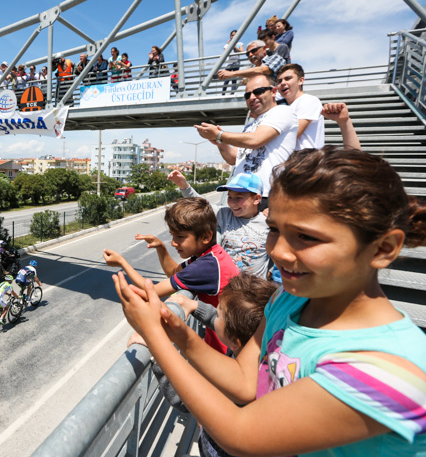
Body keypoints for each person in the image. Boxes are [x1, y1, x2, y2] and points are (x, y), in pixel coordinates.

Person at [114, 146, 426, 457]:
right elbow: (245, 381)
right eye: (274, 229)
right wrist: (177, 332)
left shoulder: (387, 368)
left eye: (306, 237)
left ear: (384, 248)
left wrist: (154, 337)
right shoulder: (288, 300)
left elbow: (240, 434)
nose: (278, 251)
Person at [153, 273, 279, 457]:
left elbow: (184, 399)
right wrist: (195, 306)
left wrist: (157, 354)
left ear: (234, 342)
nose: (215, 311)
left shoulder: (232, 384)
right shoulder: (257, 352)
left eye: (219, 311)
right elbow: (225, 326)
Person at [104, 197, 239, 354]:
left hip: (224, 348)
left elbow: (151, 291)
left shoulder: (206, 267)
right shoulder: (210, 255)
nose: (174, 243)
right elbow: (174, 272)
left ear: (205, 237)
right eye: (172, 236)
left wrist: (122, 263)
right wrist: (161, 248)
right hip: (223, 339)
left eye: (180, 237)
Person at [195, 74, 297, 207]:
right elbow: (233, 158)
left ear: (273, 91)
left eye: (258, 91)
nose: (252, 97)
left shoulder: (282, 112)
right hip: (243, 196)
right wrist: (220, 143)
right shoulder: (251, 125)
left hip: (267, 196)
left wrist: (220, 134)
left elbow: (256, 140)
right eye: (247, 95)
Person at [167, 170, 270, 279]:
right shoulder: (224, 214)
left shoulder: (268, 223)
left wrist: (271, 272)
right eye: (230, 197)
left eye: (239, 198)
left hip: (254, 291)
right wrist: (185, 186)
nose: (232, 202)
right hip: (227, 287)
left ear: (256, 199)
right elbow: (202, 205)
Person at [277, 64, 324, 150]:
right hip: (291, 161)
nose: (282, 83)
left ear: (301, 81)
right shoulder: (283, 107)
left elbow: (292, 135)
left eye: (288, 78)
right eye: (279, 81)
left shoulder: (309, 100)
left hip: (307, 160)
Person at [217, 40, 287, 83]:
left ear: (264, 48)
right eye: (247, 54)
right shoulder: (254, 68)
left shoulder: (276, 58)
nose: (250, 55)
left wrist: (232, 73)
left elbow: (263, 70)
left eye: (254, 51)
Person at [222, 30, 245, 94]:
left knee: (234, 78)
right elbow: (225, 53)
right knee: (226, 77)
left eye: (235, 35)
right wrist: (229, 45)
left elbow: (242, 51)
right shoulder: (226, 45)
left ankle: (232, 93)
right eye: (232, 35)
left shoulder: (240, 43)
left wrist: (234, 46)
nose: (233, 36)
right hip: (229, 62)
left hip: (236, 62)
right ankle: (223, 93)